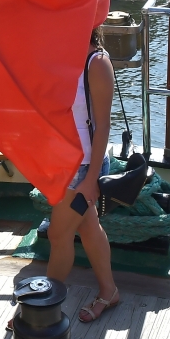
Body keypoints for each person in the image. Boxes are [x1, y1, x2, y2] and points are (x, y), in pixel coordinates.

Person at [45, 29, 119, 322]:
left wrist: (91, 180)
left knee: (58, 234)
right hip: (63, 162)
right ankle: (109, 291)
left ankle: (42, 308)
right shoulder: (61, 57)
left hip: (85, 167)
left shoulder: (97, 63)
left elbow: (103, 126)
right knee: (88, 228)